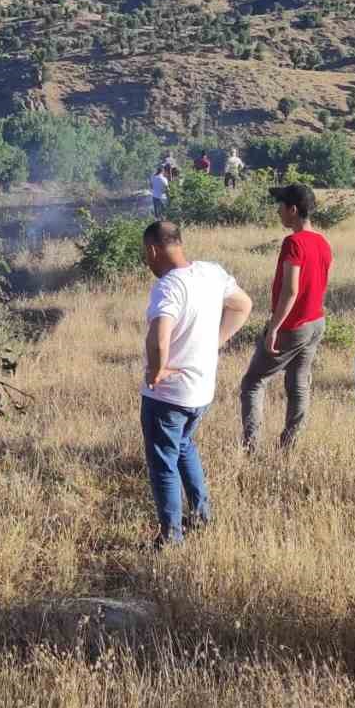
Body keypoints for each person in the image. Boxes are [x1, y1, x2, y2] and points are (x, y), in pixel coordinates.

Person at [139, 220, 254, 548]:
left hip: (169, 396)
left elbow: (159, 337)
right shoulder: (212, 272)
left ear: (153, 250)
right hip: (201, 391)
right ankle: (202, 514)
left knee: (163, 461)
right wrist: (216, 341)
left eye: (146, 255)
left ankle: (171, 538)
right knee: (184, 445)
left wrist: (155, 371)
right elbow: (243, 304)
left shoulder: (168, 286)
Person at [239, 183, 334, 451]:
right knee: (299, 384)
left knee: (253, 383)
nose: (277, 210)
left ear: (293, 210)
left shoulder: (293, 242)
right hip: (316, 322)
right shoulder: (322, 242)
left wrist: (273, 328)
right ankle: (288, 447)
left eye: (280, 205)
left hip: (293, 326)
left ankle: (251, 448)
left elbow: (290, 290)